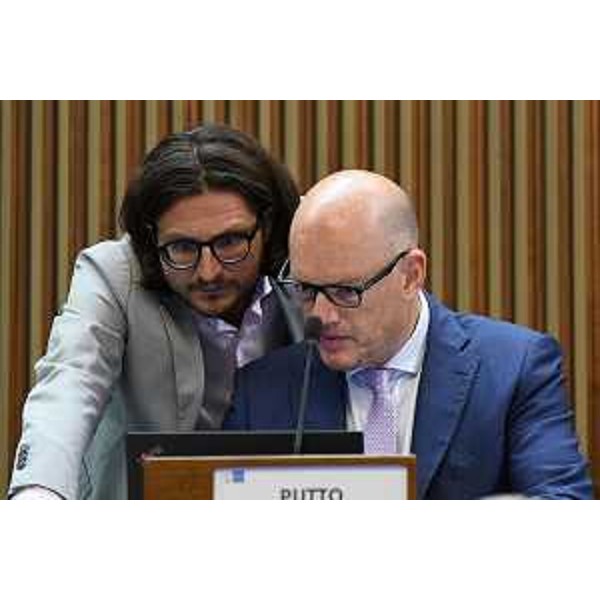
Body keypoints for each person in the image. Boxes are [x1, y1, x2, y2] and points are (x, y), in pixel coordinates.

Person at [224, 169, 593, 499]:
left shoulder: (513, 368)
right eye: (306, 289)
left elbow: (564, 507)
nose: (321, 316)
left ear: (411, 275)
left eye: (345, 291)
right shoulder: (262, 391)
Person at [9, 123, 303, 499]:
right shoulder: (114, 273)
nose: (208, 272)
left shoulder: (305, 256)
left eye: (230, 242)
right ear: (151, 239)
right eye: (182, 248)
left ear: (269, 225)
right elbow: (71, 379)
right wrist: (37, 494)